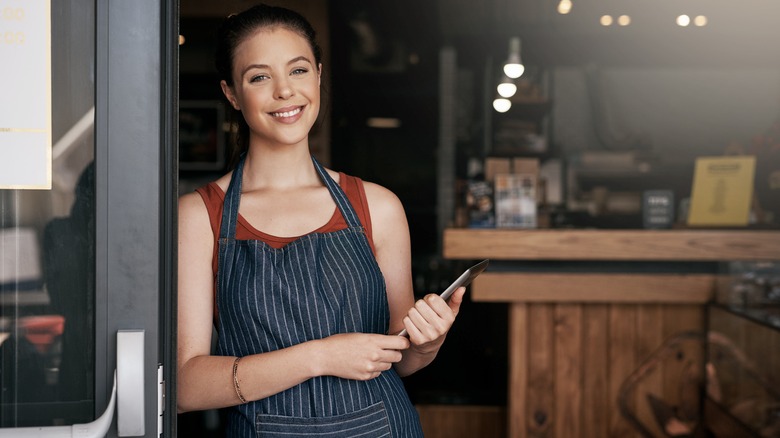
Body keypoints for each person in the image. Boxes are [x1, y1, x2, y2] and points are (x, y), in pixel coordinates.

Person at [176, 4, 466, 436]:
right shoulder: (199, 216)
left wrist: (428, 342)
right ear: (232, 93)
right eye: (259, 77)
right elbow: (185, 387)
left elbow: (401, 359)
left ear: (317, 74)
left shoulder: (378, 207)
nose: (284, 91)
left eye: (297, 70)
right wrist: (321, 357)